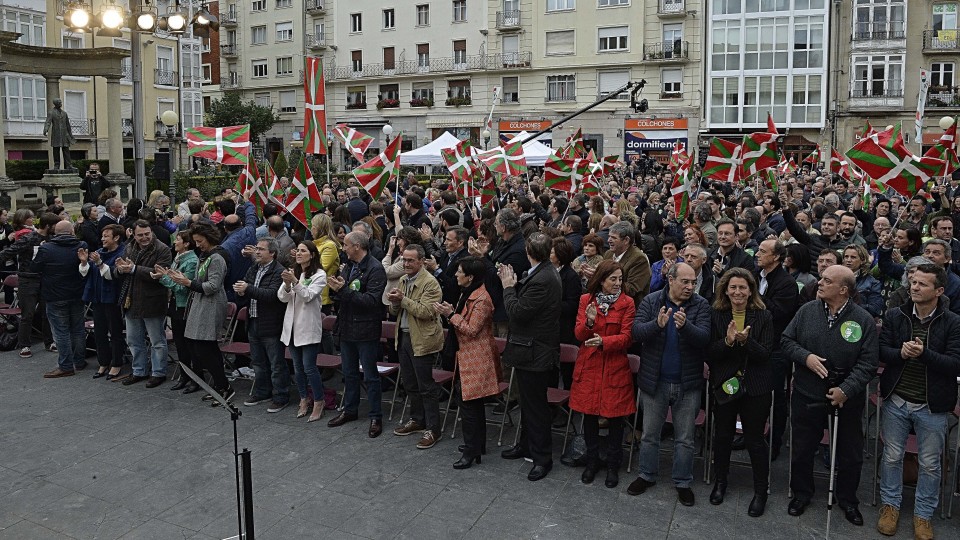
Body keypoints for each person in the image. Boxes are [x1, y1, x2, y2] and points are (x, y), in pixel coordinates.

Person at [781, 264, 878, 525]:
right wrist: (806, 357)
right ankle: (801, 493)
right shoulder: (806, 311)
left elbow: (868, 363)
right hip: (806, 393)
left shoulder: (863, 319)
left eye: (826, 280)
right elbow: (787, 341)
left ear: (843, 290)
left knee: (850, 453)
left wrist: (846, 390)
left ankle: (847, 499)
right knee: (802, 448)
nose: (819, 283)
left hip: (846, 398)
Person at [877, 263, 960, 540]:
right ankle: (890, 505)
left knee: (930, 463)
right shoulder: (894, 315)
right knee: (891, 456)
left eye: (922, 284)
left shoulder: (953, 322)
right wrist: (899, 353)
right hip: (897, 400)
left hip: (932, 405)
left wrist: (924, 354)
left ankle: (923, 514)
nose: (914, 287)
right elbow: (882, 351)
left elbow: (954, 364)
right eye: (913, 282)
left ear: (938, 290)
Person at [627, 262, 711, 506]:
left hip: (688, 383)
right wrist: (657, 325)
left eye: (693, 282)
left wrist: (686, 327)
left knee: (685, 438)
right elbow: (636, 332)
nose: (690, 286)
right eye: (685, 281)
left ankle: (683, 481)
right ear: (670, 280)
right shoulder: (652, 301)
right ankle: (647, 474)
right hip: (655, 381)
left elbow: (704, 338)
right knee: (650, 434)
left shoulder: (701, 305)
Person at [707, 268, 775, 517]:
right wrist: (727, 342)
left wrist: (746, 342)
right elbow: (710, 353)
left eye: (742, 288)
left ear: (751, 290)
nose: (737, 292)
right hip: (725, 384)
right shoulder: (716, 314)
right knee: (723, 435)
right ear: (725, 289)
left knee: (755, 439)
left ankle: (760, 491)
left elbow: (765, 354)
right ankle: (720, 482)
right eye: (733, 287)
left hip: (755, 386)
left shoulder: (764, 316)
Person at [498, 232, 562, 481]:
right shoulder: (540, 272)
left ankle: (542, 458)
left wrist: (508, 287)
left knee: (536, 408)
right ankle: (525, 445)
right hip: (530, 349)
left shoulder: (543, 278)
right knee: (527, 403)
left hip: (536, 351)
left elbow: (517, 312)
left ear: (528, 252)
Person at [570, 260, 635, 489]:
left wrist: (604, 341)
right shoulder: (586, 300)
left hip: (614, 366)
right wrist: (589, 321)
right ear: (601, 279)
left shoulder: (627, 303)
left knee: (615, 418)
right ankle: (592, 461)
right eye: (613, 279)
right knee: (589, 416)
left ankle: (612, 465)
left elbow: (628, 337)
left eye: (620, 279)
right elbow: (578, 334)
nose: (618, 283)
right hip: (590, 365)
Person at [432, 256, 500, 469]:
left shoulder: (482, 299)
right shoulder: (469, 294)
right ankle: (477, 446)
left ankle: (471, 451)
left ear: (470, 277)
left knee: (469, 404)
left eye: (459, 272)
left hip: (476, 357)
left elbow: (471, 330)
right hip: (467, 356)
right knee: (472, 403)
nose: (455, 275)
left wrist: (450, 314)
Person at [162, 223, 234, 404]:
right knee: (200, 346)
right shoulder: (205, 256)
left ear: (209, 238)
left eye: (200, 241)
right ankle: (220, 385)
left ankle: (223, 386)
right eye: (196, 241)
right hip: (200, 304)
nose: (198, 245)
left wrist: (187, 282)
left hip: (211, 305)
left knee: (206, 347)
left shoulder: (217, 258)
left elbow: (213, 286)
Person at [327, 231, 388, 437]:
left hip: (366, 329)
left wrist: (343, 291)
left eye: (345, 245)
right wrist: (336, 289)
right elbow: (344, 292)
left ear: (357, 247)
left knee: (370, 376)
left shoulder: (375, 269)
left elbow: (371, 301)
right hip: (347, 327)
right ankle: (350, 409)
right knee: (349, 373)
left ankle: (375, 415)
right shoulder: (349, 266)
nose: (343, 248)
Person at [388, 245, 445, 449]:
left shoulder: (430, 283)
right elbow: (395, 312)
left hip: (422, 339)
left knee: (426, 386)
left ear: (421, 261)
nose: (406, 264)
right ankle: (417, 419)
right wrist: (394, 302)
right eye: (404, 260)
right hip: (403, 337)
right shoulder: (403, 280)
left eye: (410, 260)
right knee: (409, 383)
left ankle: (433, 429)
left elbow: (426, 311)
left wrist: (402, 300)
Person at [113, 220, 172, 388]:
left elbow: (160, 273)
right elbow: (122, 269)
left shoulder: (162, 249)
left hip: (153, 301)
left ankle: (158, 372)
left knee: (157, 341)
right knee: (133, 340)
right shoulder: (129, 246)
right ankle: (139, 370)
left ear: (151, 232)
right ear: (133, 233)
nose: (144, 237)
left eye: (147, 234)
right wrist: (120, 269)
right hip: (131, 301)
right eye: (140, 235)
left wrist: (133, 269)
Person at [236, 238, 289, 413]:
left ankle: (280, 396)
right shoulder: (254, 268)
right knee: (258, 362)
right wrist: (241, 290)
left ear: (272, 253)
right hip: (253, 320)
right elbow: (247, 287)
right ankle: (262, 391)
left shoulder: (279, 271)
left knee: (276, 364)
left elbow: (272, 295)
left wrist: (248, 288)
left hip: (271, 323)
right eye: (257, 249)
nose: (257, 252)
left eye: (261, 249)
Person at [278, 242, 328, 422]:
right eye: (297, 250)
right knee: (298, 369)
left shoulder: (320, 275)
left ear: (312, 254)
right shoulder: (294, 272)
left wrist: (294, 282)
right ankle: (303, 398)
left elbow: (308, 296)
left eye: (303, 251)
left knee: (309, 368)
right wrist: (286, 284)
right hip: (291, 327)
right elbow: (282, 298)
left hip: (307, 327)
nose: (299, 253)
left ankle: (319, 401)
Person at [33, 221, 87, 378]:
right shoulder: (81, 245)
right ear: (72, 232)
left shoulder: (46, 248)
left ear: (55, 233)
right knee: (77, 328)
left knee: (61, 331)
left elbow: (34, 268)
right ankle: (79, 361)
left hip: (54, 295)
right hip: (77, 293)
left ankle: (66, 365)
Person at [0, 211, 58, 358]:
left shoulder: (53, 238)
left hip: (45, 279)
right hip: (28, 280)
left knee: (46, 313)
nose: (56, 228)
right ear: (47, 226)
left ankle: (49, 341)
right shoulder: (28, 238)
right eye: (55, 225)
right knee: (27, 314)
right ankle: (24, 344)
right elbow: (8, 252)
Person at [79, 224, 126, 380]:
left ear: (116, 238)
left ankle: (116, 363)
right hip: (97, 298)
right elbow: (86, 273)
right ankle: (103, 362)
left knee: (115, 332)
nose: (102, 239)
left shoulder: (122, 253)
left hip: (113, 299)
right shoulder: (99, 252)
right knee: (99, 332)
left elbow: (112, 275)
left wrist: (99, 263)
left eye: (106, 236)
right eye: (102, 236)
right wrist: (85, 263)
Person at [158, 231, 199, 392]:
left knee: (189, 345)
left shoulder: (191, 261)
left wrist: (164, 278)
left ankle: (196, 378)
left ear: (187, 243)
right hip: (175, 306)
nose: (175, 242)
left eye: (178, 240)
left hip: (184, 306)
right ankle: (184, 375)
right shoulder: (178, 259)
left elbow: (182, 287)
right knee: (180, 345)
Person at [590, 221, 651, 306]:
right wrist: (595, 275)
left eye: (614, 238)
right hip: (604, 304)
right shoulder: (608, 253)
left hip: (628, 308)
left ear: (626, 240)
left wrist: (603, 279)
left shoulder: (639, 259)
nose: (608, 240)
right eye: (609, 237)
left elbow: (632, 289)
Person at [842, 244, 884, 317]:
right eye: (846, 257)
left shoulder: (872, 283)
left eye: (853, 257)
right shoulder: (835, 278)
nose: (848, 260)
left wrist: (847, 307)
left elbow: (875, 309)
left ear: (862, 260)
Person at [43, 98, 75, 170]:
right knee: (56, 150)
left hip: (65, 135)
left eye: (61, 102)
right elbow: (48, 122)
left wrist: (70, 135)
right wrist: (46, 129)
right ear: (55, 103)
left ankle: (69, 165)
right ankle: (56, 165)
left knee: (66, 150)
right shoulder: (51, 112)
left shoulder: (64, 113)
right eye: (59, 102)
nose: (61, 103)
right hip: (56, 134)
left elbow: (68, 125)